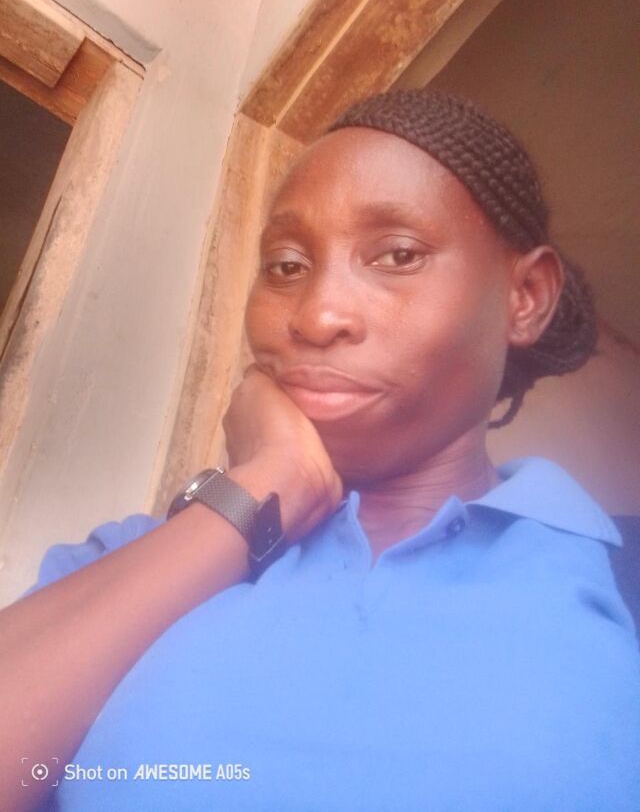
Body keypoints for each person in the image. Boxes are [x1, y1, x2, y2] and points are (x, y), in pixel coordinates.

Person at [1, 91, 638, 811]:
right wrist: (266, 483)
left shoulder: (618, 579)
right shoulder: (130, 559)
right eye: (285, 265)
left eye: (398, 255)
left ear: (525, 296)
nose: (317, 314)